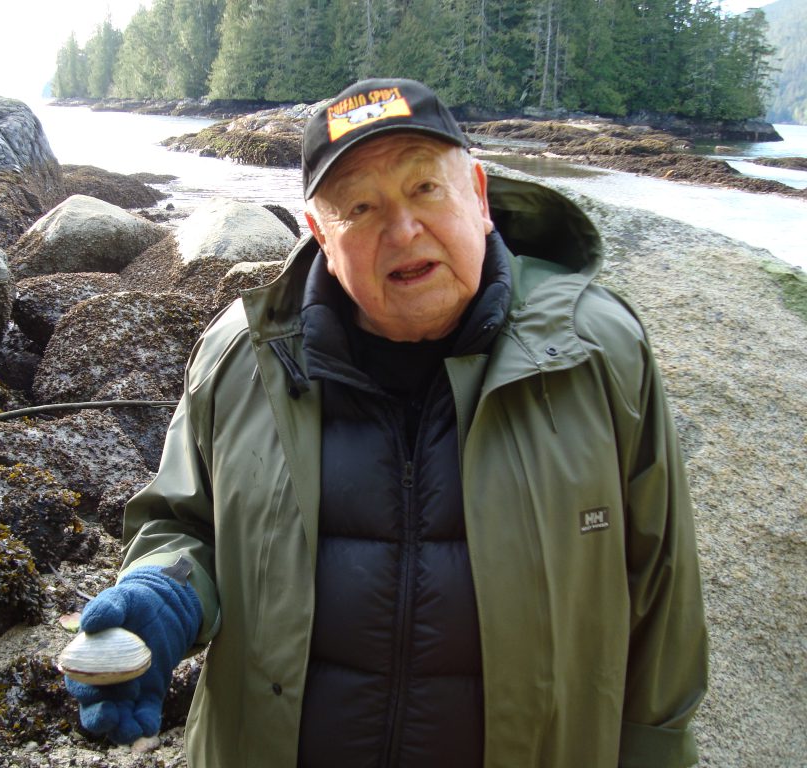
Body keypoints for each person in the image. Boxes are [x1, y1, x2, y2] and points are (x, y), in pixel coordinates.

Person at [66, 78, 708, 767]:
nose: (402, 231)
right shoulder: (242, 354)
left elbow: (663, 598)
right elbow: (183, 523)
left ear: (480, 197)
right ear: (319, 234)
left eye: (426, 189)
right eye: (360, 207)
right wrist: (166, 591)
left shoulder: (598, 352)